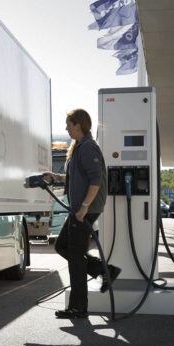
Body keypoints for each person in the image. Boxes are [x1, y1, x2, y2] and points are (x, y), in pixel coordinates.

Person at [45, 108, 107, 319]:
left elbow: (96, 179)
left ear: (78, 125)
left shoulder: (88, 147)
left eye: (69, 124)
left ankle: (78, 307)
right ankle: (104, 271)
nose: (66, 128)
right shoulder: (79, 148)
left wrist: (84, 207)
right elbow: (76, 178)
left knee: (75, 256)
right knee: (63, 246)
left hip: (84, 210)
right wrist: (55, 177)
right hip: (79, 209)